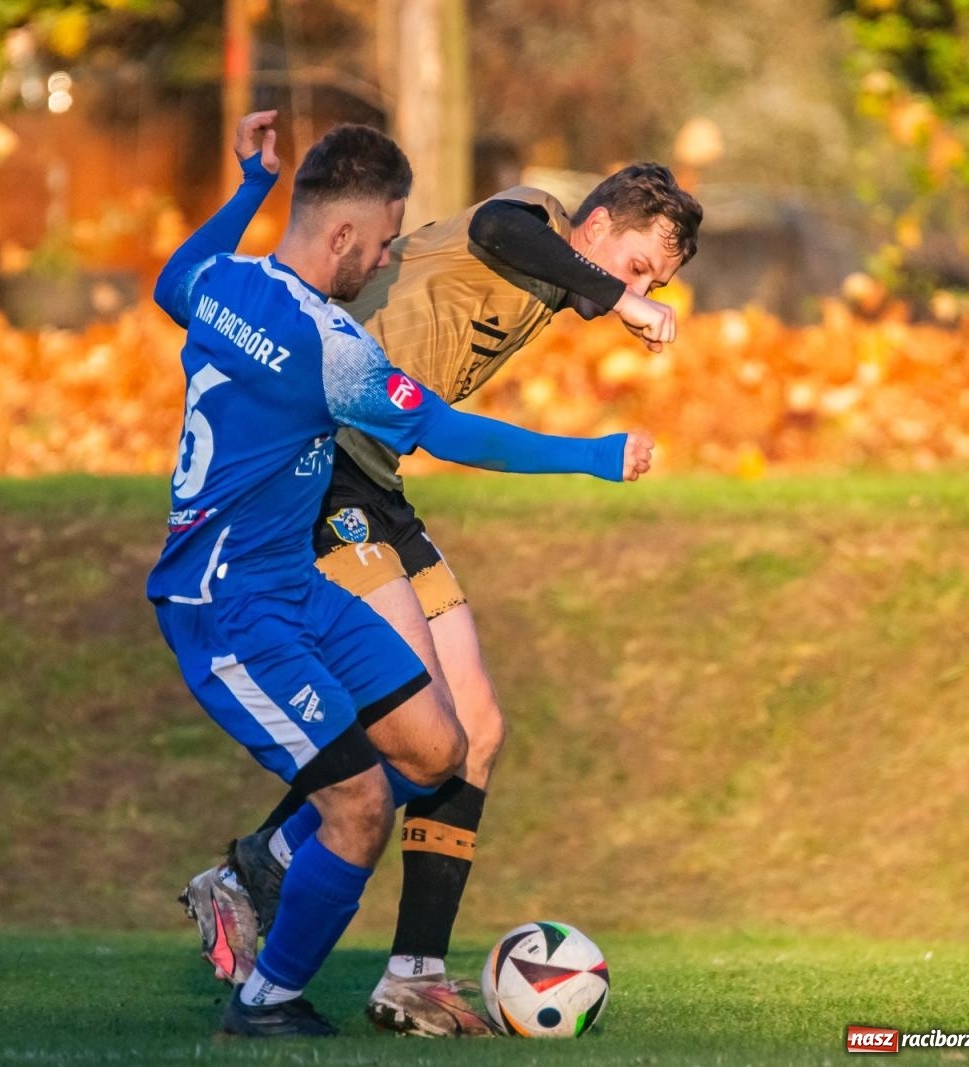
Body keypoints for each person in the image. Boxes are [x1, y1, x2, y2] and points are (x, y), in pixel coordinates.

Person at [150, 111, 653, 1038]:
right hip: (231, 597)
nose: (385, 259)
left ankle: (338, 930)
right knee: (362, 800)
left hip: (295, 576)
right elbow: (451, 433)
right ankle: (265, 992)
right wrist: (594, 455)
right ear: (343, 234)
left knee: (440, 745)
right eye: (381, 241)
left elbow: (173, 279)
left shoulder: (219, 283)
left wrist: (251, 188)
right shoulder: (331, 348)